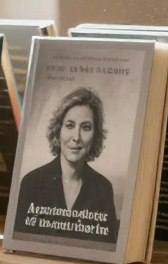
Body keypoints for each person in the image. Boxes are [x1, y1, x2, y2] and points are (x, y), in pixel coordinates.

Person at [14, 87, 119, 244]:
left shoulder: (103, 189)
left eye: (85, 127)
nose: (76, 137)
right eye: (70, 125)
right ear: (58, 131)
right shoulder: (31, 183)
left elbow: (108, 249)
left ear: (95, 135)